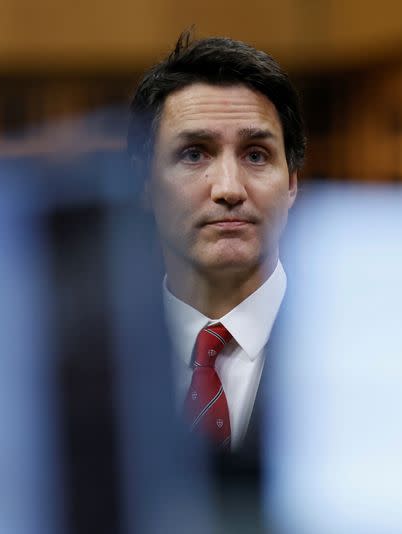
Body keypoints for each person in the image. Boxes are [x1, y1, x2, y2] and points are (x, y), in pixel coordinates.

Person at [127, 30, 305, 457]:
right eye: (194, 154)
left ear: (293, 183)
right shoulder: (99, 365)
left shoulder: (350, 351)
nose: (228, 189)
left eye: (256, 155)